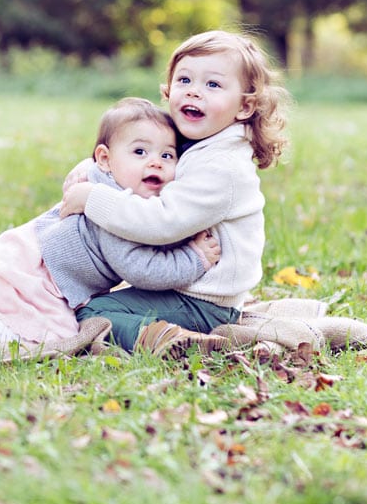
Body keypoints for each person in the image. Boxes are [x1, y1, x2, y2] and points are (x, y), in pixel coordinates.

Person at [59, 30, 291, 357]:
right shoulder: (201, 141)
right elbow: (135, 152)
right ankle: (170, 333)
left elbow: (161, 222)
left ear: (244, 106)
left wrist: (93, 198)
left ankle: (170, 340)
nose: (194, 92)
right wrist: (92, 169)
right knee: (106, 304)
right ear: (168, 90)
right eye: (184, 80)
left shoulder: (221, 168)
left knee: (93, 313)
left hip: (202, 302)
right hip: (191, 289)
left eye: (212, 85)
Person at [0, 98, 221, 347]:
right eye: (140, 152)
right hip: (37, 271)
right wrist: (194, 259)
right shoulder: (111, 211)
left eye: (167, 155)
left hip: (43, 260)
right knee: (42, 334)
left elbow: (156, 226)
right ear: (105, 159)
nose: (155, 163)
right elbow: (141, 269)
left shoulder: (116, 185)